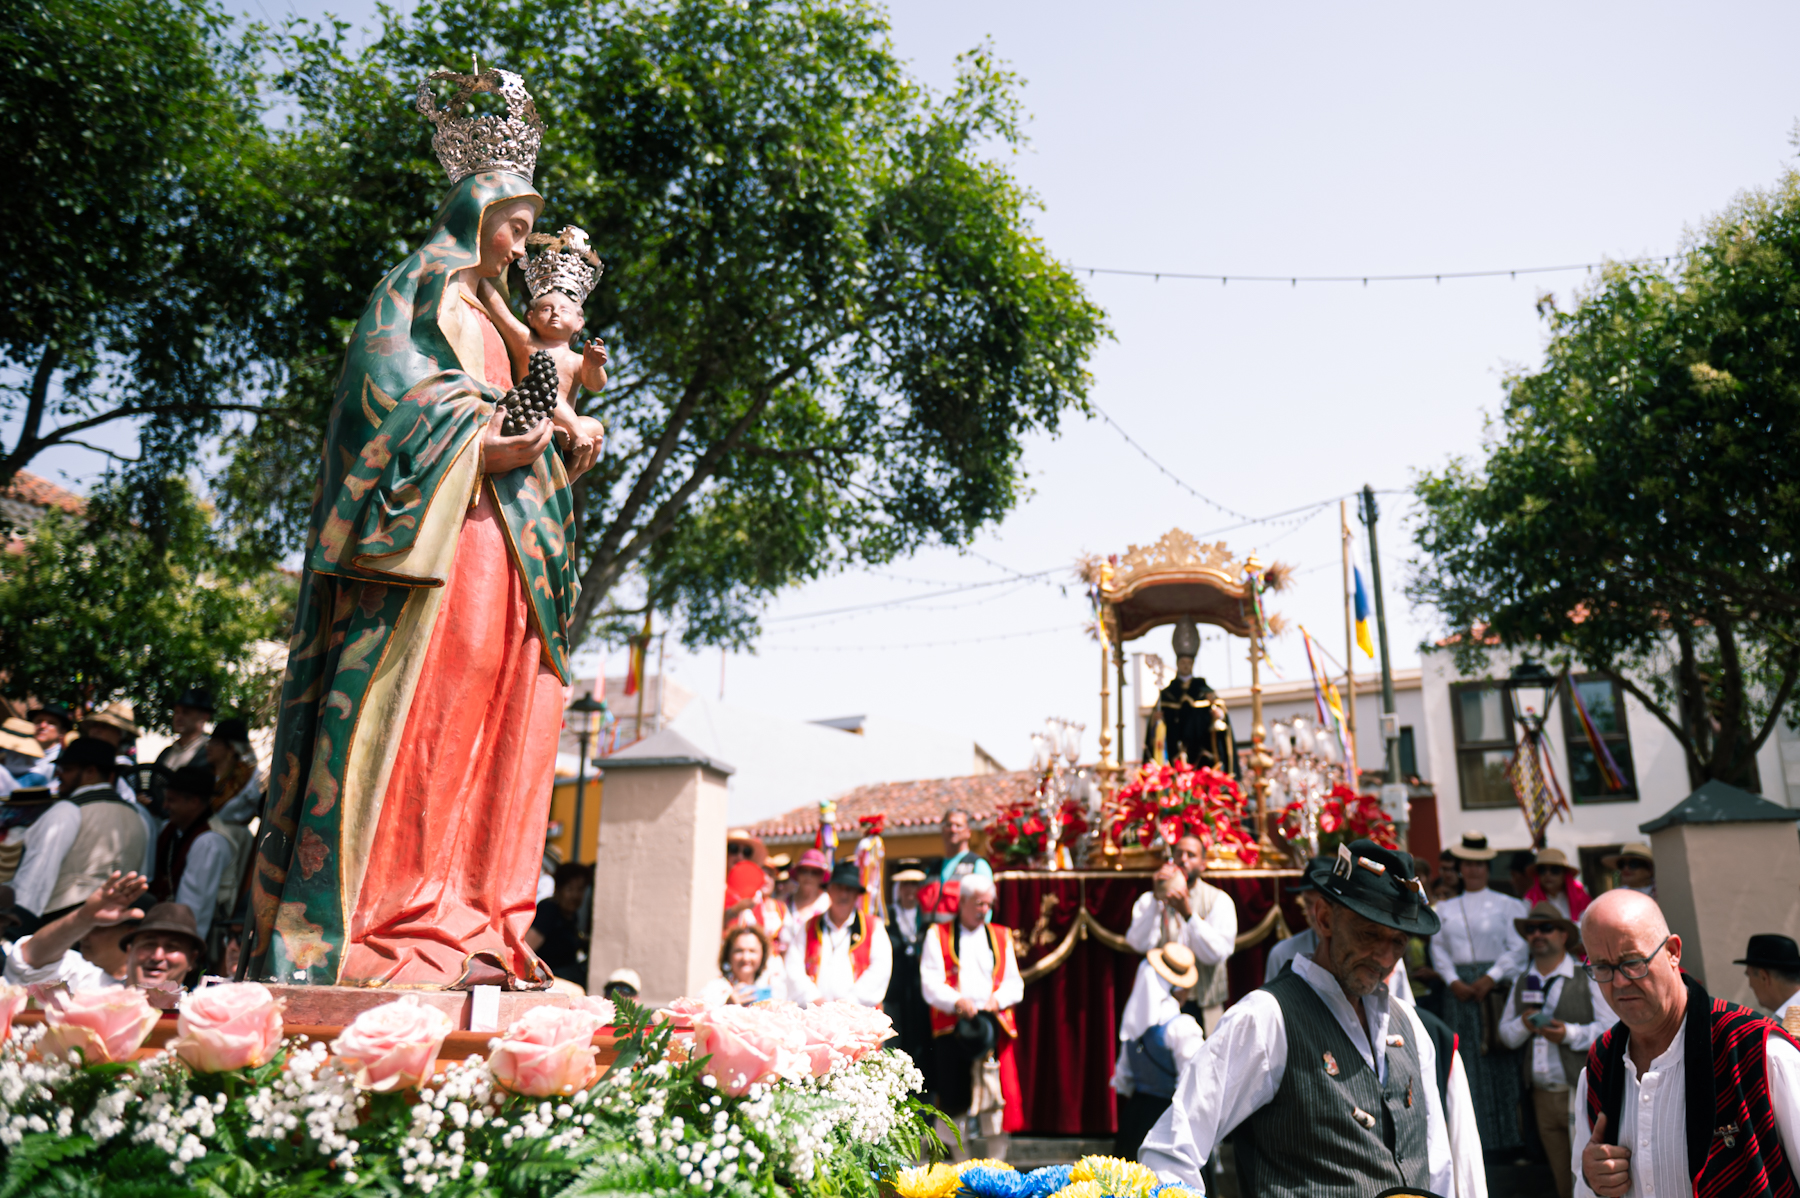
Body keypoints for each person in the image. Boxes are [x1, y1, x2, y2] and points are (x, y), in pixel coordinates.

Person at [247, 67, 607, 989]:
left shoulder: (507, 320)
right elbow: (384, 401)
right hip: (445, 531)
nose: (521, 252)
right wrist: (482, 434)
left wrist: (556, 443)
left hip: (517, 538)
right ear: (474, 212)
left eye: (529, 233)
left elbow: (533, 419)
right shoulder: (419, 293)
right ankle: (389, 914)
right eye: (515, 229)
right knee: (440, 690)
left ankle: (474, 915)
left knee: (500, 699)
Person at [1140, 841, 1471, 1197]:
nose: (1384, 956)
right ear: (1325, 918)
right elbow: (1170, 1150)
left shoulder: (1409, 1024)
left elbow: (1438, 1167)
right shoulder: (1265, 1018)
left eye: (1399, 942)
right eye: (1369, 934)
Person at [1575, 888, 1800, 1198]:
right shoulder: (1599, 1065)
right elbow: (1583, 1186)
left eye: (1633, 962)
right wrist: (1592, 1178)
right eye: (1602, 967)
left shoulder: (1757, 1052)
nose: (1619, 982)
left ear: (1673, 952)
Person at [1498, 901, 1617, 1198]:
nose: (1537, 934)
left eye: (1546, 928)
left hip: (1579, 1091)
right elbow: (1506, 1037)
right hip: (1540, 1094)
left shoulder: (1586, 974)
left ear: (1563, 935)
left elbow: (1611, 1030)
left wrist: (1567, 1034)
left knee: (1587, 1175)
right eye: (1531, 929)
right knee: (1562, 1179)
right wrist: (1525, 1024)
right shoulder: (1522, 980)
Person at [1430, 830, 1530, 1155]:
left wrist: (1492, 976)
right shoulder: (1445, 909)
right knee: (1466, 1060)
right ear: (1459, 867)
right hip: (1459, 991)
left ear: (1488, 867)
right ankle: (1475, 1142)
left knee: (1501, 1055)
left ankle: (1509, 1139)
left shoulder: (1509, 905)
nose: (1473, 870)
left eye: (1480, 864)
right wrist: (1451, 980)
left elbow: (1518, 948)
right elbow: (1439, 949)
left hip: (1495, 992)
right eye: (1468, 864)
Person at [476, 225, 607, 470]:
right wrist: (480, 266)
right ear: (530, 317)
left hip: (565, 425)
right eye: (546, 309)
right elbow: (497, 308)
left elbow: (595, 384)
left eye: (564, 310)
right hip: (528, 410)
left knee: (596, 429)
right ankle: (565, 432)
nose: (556, 313)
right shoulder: (525, 340)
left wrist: (593, 365)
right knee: (544, 387)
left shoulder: (576, 358)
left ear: (579, 322)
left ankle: (565, 475)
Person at [921, 873, 1022, 1158]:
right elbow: (930, 983)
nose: (983, 910)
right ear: (962, 901)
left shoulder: (1001, 935)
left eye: (988, 905)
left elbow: (1015, 984)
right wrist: (957, 1001)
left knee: (994, 1098)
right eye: (978, 904)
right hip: (954, 1028)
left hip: (992, 1028)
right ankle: (959, 1161)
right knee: (954, 1099)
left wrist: (996, 999)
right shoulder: (936, 935)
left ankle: (995, 1162)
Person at [11, 737, 149, 930]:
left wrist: (16, 928)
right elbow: (143, 877)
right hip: (115, 927)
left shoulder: (67, 811)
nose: (59, 775)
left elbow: (35, 879)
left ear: (90, 771)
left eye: (67, 769)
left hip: (63, 926)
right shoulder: (138, 816)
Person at [1267, 854, 1413, 1006]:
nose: (1386, 959)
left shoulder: (1389, 958)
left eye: (1398, 942)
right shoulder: (1282, 953)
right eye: (1307, 903)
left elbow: (1405, 1004)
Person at [1126, 834, 1236, 1034]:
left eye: (1191, 855)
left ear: (1203, 864)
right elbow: (1137, 943)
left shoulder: (1219, 900)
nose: (1183, 859)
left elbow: (1216, 953)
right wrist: (1156, 898)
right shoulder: (1150, 900)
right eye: (1179, 853)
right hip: (1159, 1007)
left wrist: (1188, 915)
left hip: (1203, 1007)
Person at [1114, 941, 1205, 1161]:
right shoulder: (1182, 1026)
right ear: (1181, 989)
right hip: (1166, 1122)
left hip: (1134, 1119)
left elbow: (1124, 1079)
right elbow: (1193, 1085)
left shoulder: (1133, 1025)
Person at [785, 861, 892, 1007]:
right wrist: (814, 999)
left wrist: (849, 1003)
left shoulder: (873, 927)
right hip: (816, 1015)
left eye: (849, 889)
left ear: (856, 894)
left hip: (859, 1016)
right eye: (838, 888)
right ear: (829, 890)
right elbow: (793, 967)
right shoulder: (809, 926)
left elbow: (880, 969)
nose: (843, 894)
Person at [148, 765, 233, 941]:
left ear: (194, 802)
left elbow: (195, 906)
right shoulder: (171, 829)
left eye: (171, 800)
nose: (165, 806)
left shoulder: (209, 842)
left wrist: (184, 944)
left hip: (191, 935)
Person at [1142, 616, 1237, 772]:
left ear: (1193, 664)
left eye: (1189, 663)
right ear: (1177, 664)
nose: (1185, 666)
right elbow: (1155, 731)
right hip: (1174, 758)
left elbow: (1222, 718)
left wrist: (1218, 714)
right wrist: (1155, 722)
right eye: (1182, 663)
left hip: (1203, 759)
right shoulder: (1167, 695)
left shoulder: (1205, 692)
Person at [885, 864, 934, 1085]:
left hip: (919, 989)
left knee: (920, 1041)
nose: (910, 890)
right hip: (895, 988)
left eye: (914, 884)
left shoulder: (927, 918)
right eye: (905, 884)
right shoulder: (888, 915)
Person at [919, 808, 994, 926]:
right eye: (948, 825)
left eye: (958, 826)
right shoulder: (932, 868)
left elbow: (986, 911)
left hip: (959, 940)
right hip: (929, 940)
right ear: (942, 830)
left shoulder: (977, 866)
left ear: (968, 832)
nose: (953, 829)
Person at [526, 862, 592, 985]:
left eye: (580, 890)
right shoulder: (549, 910)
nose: (575, 896)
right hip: (548, 981)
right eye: (569, 889)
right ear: (558, 890)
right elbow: (527, 948)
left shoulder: (571, 917)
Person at [699, 925, 785, 1007]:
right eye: (739, 951)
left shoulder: (772, 990)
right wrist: (726, 1006)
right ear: (728, 955)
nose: (746, 958)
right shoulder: (714, 989)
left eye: (752, 951)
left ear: (762, 955)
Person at [204, 717, 261, 822]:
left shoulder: (250, 776)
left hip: (232, 836)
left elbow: (262, 809)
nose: (208, 747)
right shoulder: (204, 773)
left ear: (232, 748)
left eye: (215, 743)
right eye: (209, 742)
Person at [1737, 934, 1800, 1026]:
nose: (1750, 985)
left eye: (1749, 975)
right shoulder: (1781, 1018)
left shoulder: (1788, 1020)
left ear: (1764, 977)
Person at [5, 705, 70, 782]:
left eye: (51, 723)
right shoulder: (15, 753)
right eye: (38, 721)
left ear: (62, 732)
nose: (42, 726)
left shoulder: (67, 759)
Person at [1525, 847, 1591, 921]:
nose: (1547, 874)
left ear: (1564, 874)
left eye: (1555, 870)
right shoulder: (1529, 900)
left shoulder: (1581, 897)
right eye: (1542, 870)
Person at [156, 689, 213, 772]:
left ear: (204, 717)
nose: (178, 717)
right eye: (176, 712)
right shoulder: (166, 753)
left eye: (186, 712)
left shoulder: (209, 754)